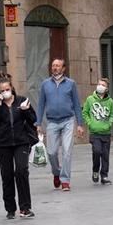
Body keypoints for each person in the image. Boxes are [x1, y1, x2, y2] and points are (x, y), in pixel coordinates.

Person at [0, 77, 37, 219]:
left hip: (21, 142)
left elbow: (33, 119)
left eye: (7, 89)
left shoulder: (22, 100)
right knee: (7, 175)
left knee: (21, 171)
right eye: (2, 91)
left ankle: (25, 208)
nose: (5, 92)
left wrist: (26, 111)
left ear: (12, 88)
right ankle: (10, 208)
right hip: (3, 144)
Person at [36, 58, 84, 192]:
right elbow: (41, 105)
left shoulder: (71, 84)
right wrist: (38, 122)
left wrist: (79, 124)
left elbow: (76, 104)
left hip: (68, 120)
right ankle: (56, 173)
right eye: (53, 65)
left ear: (63, 68)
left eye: (58, 66)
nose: (55, 68)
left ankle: (65, 180)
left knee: (67, 151)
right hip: (52, 122)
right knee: (51, 152)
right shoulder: (45, 84)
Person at [83, 78, 113, 185]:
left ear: (106, 89)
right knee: (97, 152)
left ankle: (104, 175)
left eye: (103, 85)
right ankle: (95, 170)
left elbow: (112, 114)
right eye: (99, 84)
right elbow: (85, 112)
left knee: (105, 155)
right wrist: (90, 123)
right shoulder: (90, 99)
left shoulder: (110, 101)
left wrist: (109, 123)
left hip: (106, 132)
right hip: (94, 133)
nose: (100, 86)